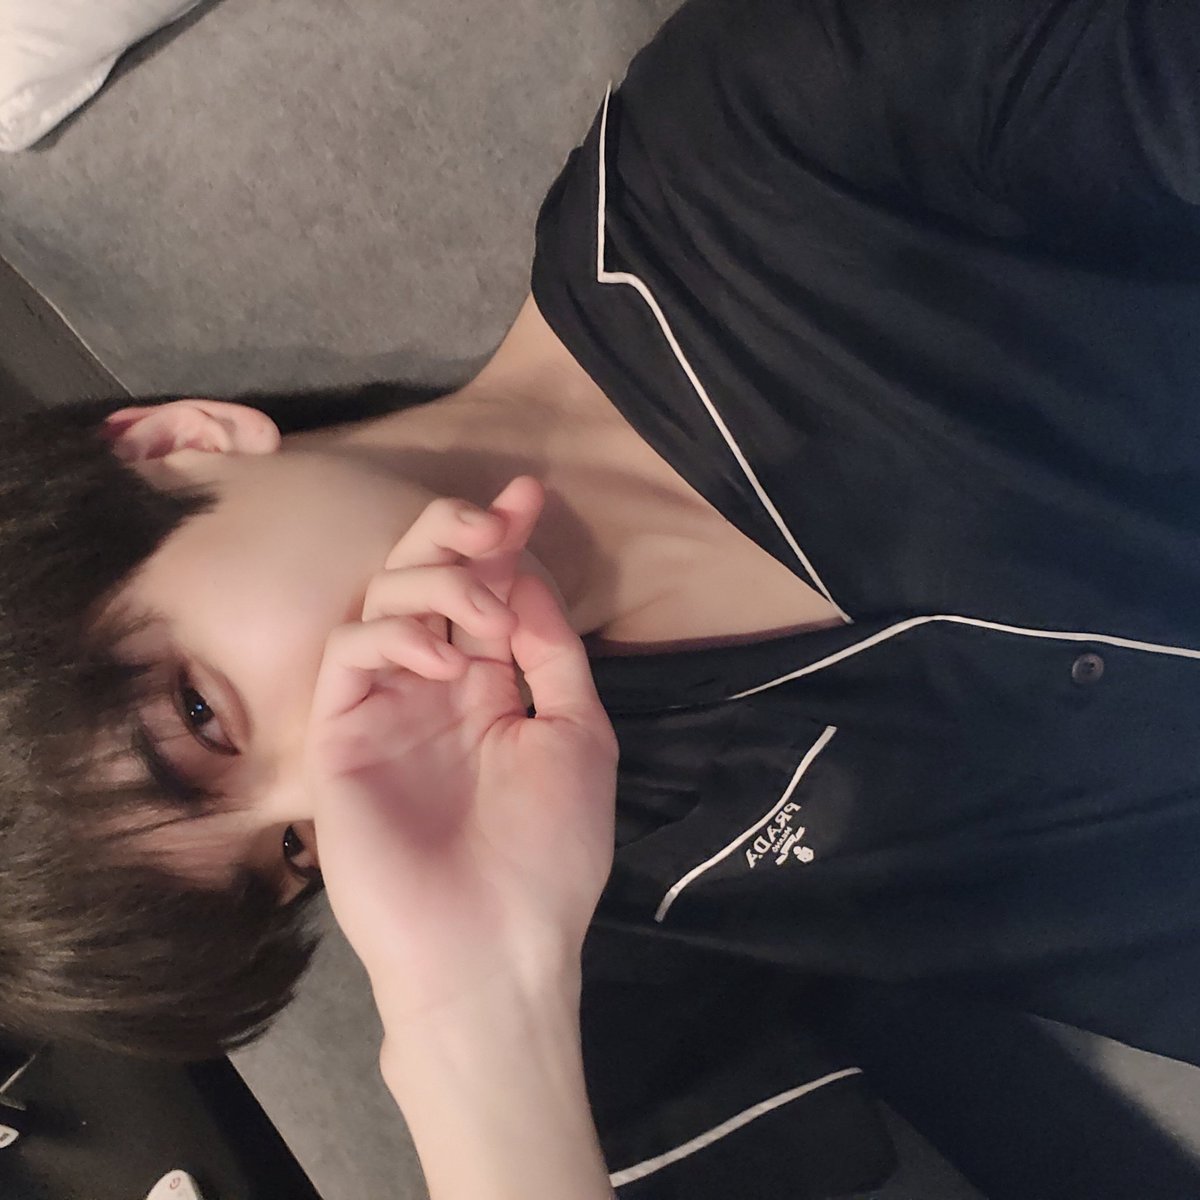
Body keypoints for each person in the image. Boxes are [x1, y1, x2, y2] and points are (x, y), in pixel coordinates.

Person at [3, 0, 1200, 1194]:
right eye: (296, 852)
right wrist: (476, 1022)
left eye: (199, 715)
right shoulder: (555, 883)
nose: (339, 775)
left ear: (173, 448)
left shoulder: (770, 152)